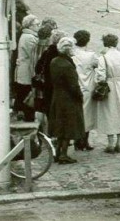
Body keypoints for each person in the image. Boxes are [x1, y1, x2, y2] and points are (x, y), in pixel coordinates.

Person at [48, 37, 85, 165]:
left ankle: (58, 152)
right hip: (68, 99)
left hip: (57, 96)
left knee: (60, 126)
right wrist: (80, 96)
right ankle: (63, 154)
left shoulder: (54, 61)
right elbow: (74, 85)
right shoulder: (67, 65)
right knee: (68, 127)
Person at [95, 34, 120, 153]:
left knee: (109, 113)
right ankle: (119, 141)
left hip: (109, 86)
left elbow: (101, 76)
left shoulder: (103, 58)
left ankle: (110, 143)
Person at [72, 30, 98, 151]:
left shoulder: (72, 54)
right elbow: (97, 64)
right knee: (87, 115)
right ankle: (84, 140)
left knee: (77, 113)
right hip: (87, 87)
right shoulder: (90, 55)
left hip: (75, 86)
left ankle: (77, 139)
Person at [14, 15, 40, 120]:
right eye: (37, 24)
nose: (39, 26)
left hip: (24, 69)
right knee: (26, 93)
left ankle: (21, 112)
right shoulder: (30, 38)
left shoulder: (27, 36)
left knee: (23, 92)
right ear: (30, 26)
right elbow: (33, 54)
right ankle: (27, 116)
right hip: (26, 71)